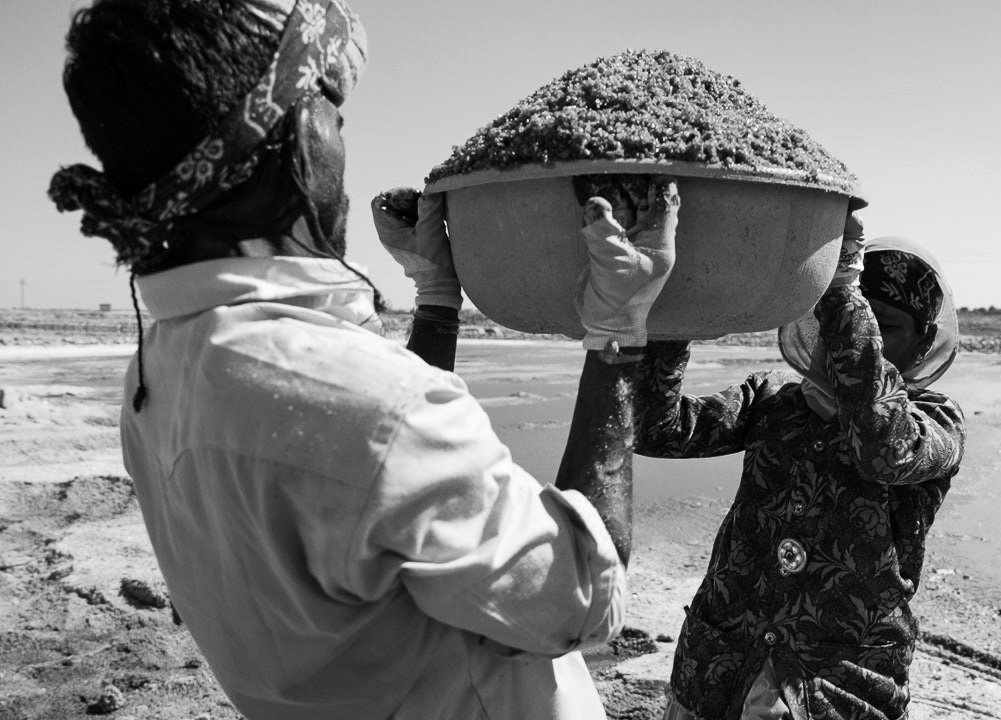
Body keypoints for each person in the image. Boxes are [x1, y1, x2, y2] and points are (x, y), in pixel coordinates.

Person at [47, 1, 677, 718]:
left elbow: (382, 482)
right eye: (334, 116)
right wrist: (618, 335)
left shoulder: (157, 373)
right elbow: (578, 601)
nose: (342, 141)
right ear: (295, 134)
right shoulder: (373, 412)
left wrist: (435, 302)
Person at [633, 212, 965, 720]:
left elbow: (881, 447)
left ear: (923, 343)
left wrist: (844, 292)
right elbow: (658, 430)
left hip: (837, 689)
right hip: (719, 668)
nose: (858, 337)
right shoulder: (775, 397)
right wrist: (676, 318)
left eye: (886, 327)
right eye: (841, 315)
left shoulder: (935, 421)